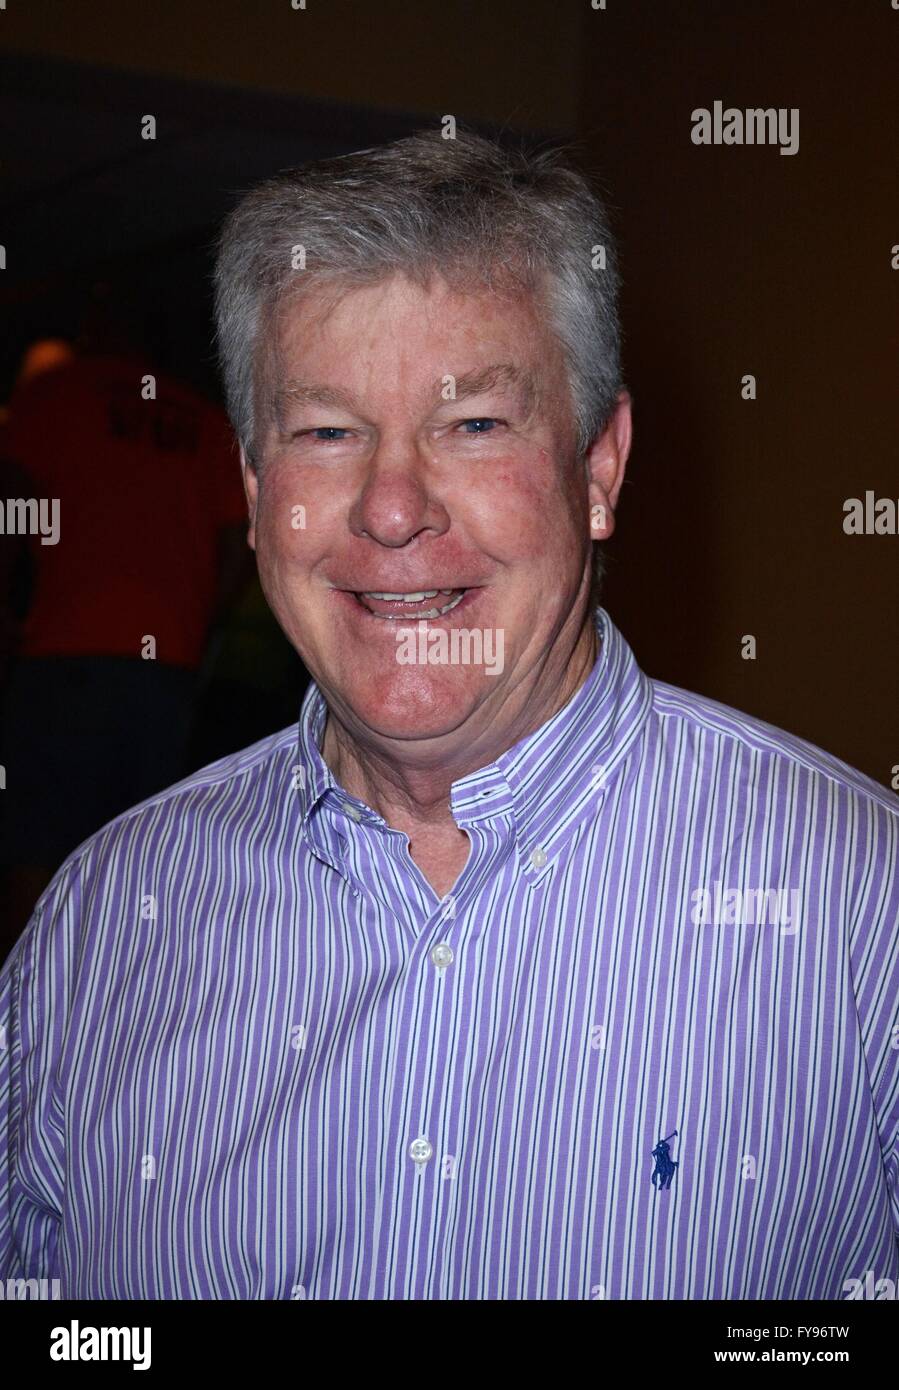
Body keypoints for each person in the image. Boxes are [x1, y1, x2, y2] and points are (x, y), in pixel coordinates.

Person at [0, 131, 896, 1300]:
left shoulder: (860, 910)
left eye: (473, 422)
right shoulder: (100, 921)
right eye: (326, 430)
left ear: (599, 468)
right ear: (259, 494)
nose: (389, 507)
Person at [0, 299, 251, 945]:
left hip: (67, 645)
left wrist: (12, 595)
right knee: (140, 855)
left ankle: (24, 1019)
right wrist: (200, 619)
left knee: (38, 847)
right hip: (165, 664)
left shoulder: (56, 394)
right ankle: (109, 1019)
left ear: (95, 331)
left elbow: (13, 501)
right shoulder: (202, 418)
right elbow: (235, 545)